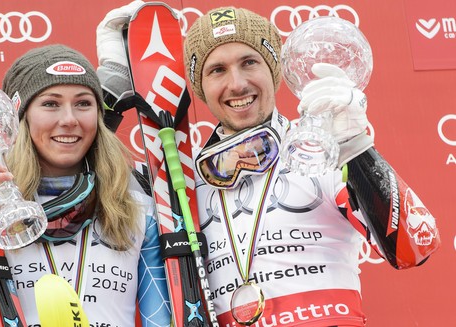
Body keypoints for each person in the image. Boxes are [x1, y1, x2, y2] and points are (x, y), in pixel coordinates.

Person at [97, 3, 441, 326]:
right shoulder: (179, 183)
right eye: (217, 70)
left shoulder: (320, 154)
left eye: (249, 62)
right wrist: (107, 100)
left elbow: (413, 247)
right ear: (200, 86)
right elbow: (72, 188)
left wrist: (355, 146)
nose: (237, 83)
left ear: (273, 69)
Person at [0, 44, 171, 327]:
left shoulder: (135, 201)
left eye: (83, 103)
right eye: (50, 104)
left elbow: (161, 317)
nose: (69, 119)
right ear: (19, 117)